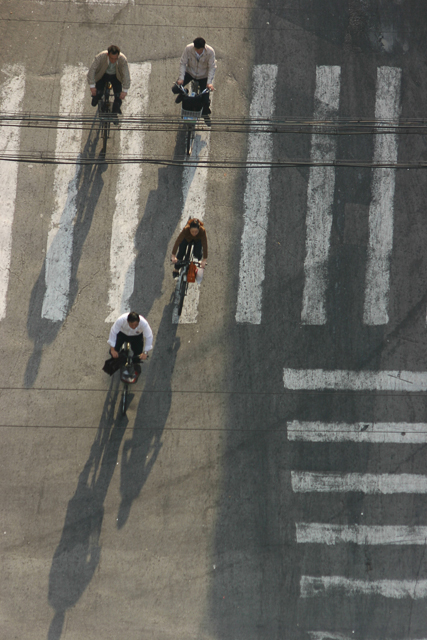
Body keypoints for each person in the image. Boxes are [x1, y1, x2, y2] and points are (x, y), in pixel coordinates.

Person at [176, 37, 216, 122]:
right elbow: (183, 63)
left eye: (199, 50)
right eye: (196, 49)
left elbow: (212, 67)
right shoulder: (188, 49)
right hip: (190, 72)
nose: (197, 51)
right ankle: (184, 93)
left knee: (205, 99)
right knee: (176, 88)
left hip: (203, 76)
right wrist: (181, 78)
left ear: (204, 47)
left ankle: (205, 112)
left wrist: (209, 83)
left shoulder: (210, 52)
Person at [87, 45, 131, 115]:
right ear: (108, 54)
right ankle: (96, 98)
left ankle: (114, 113)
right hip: (102, 75)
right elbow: (92, 70)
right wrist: (92, 86)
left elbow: (126, 75)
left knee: (118, 96)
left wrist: (124, 91)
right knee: (98, 92)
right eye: (111, 58)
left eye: (115, 59)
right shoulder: (100, 57)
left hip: (116, 76)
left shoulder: (122, 60)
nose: (113, 61)